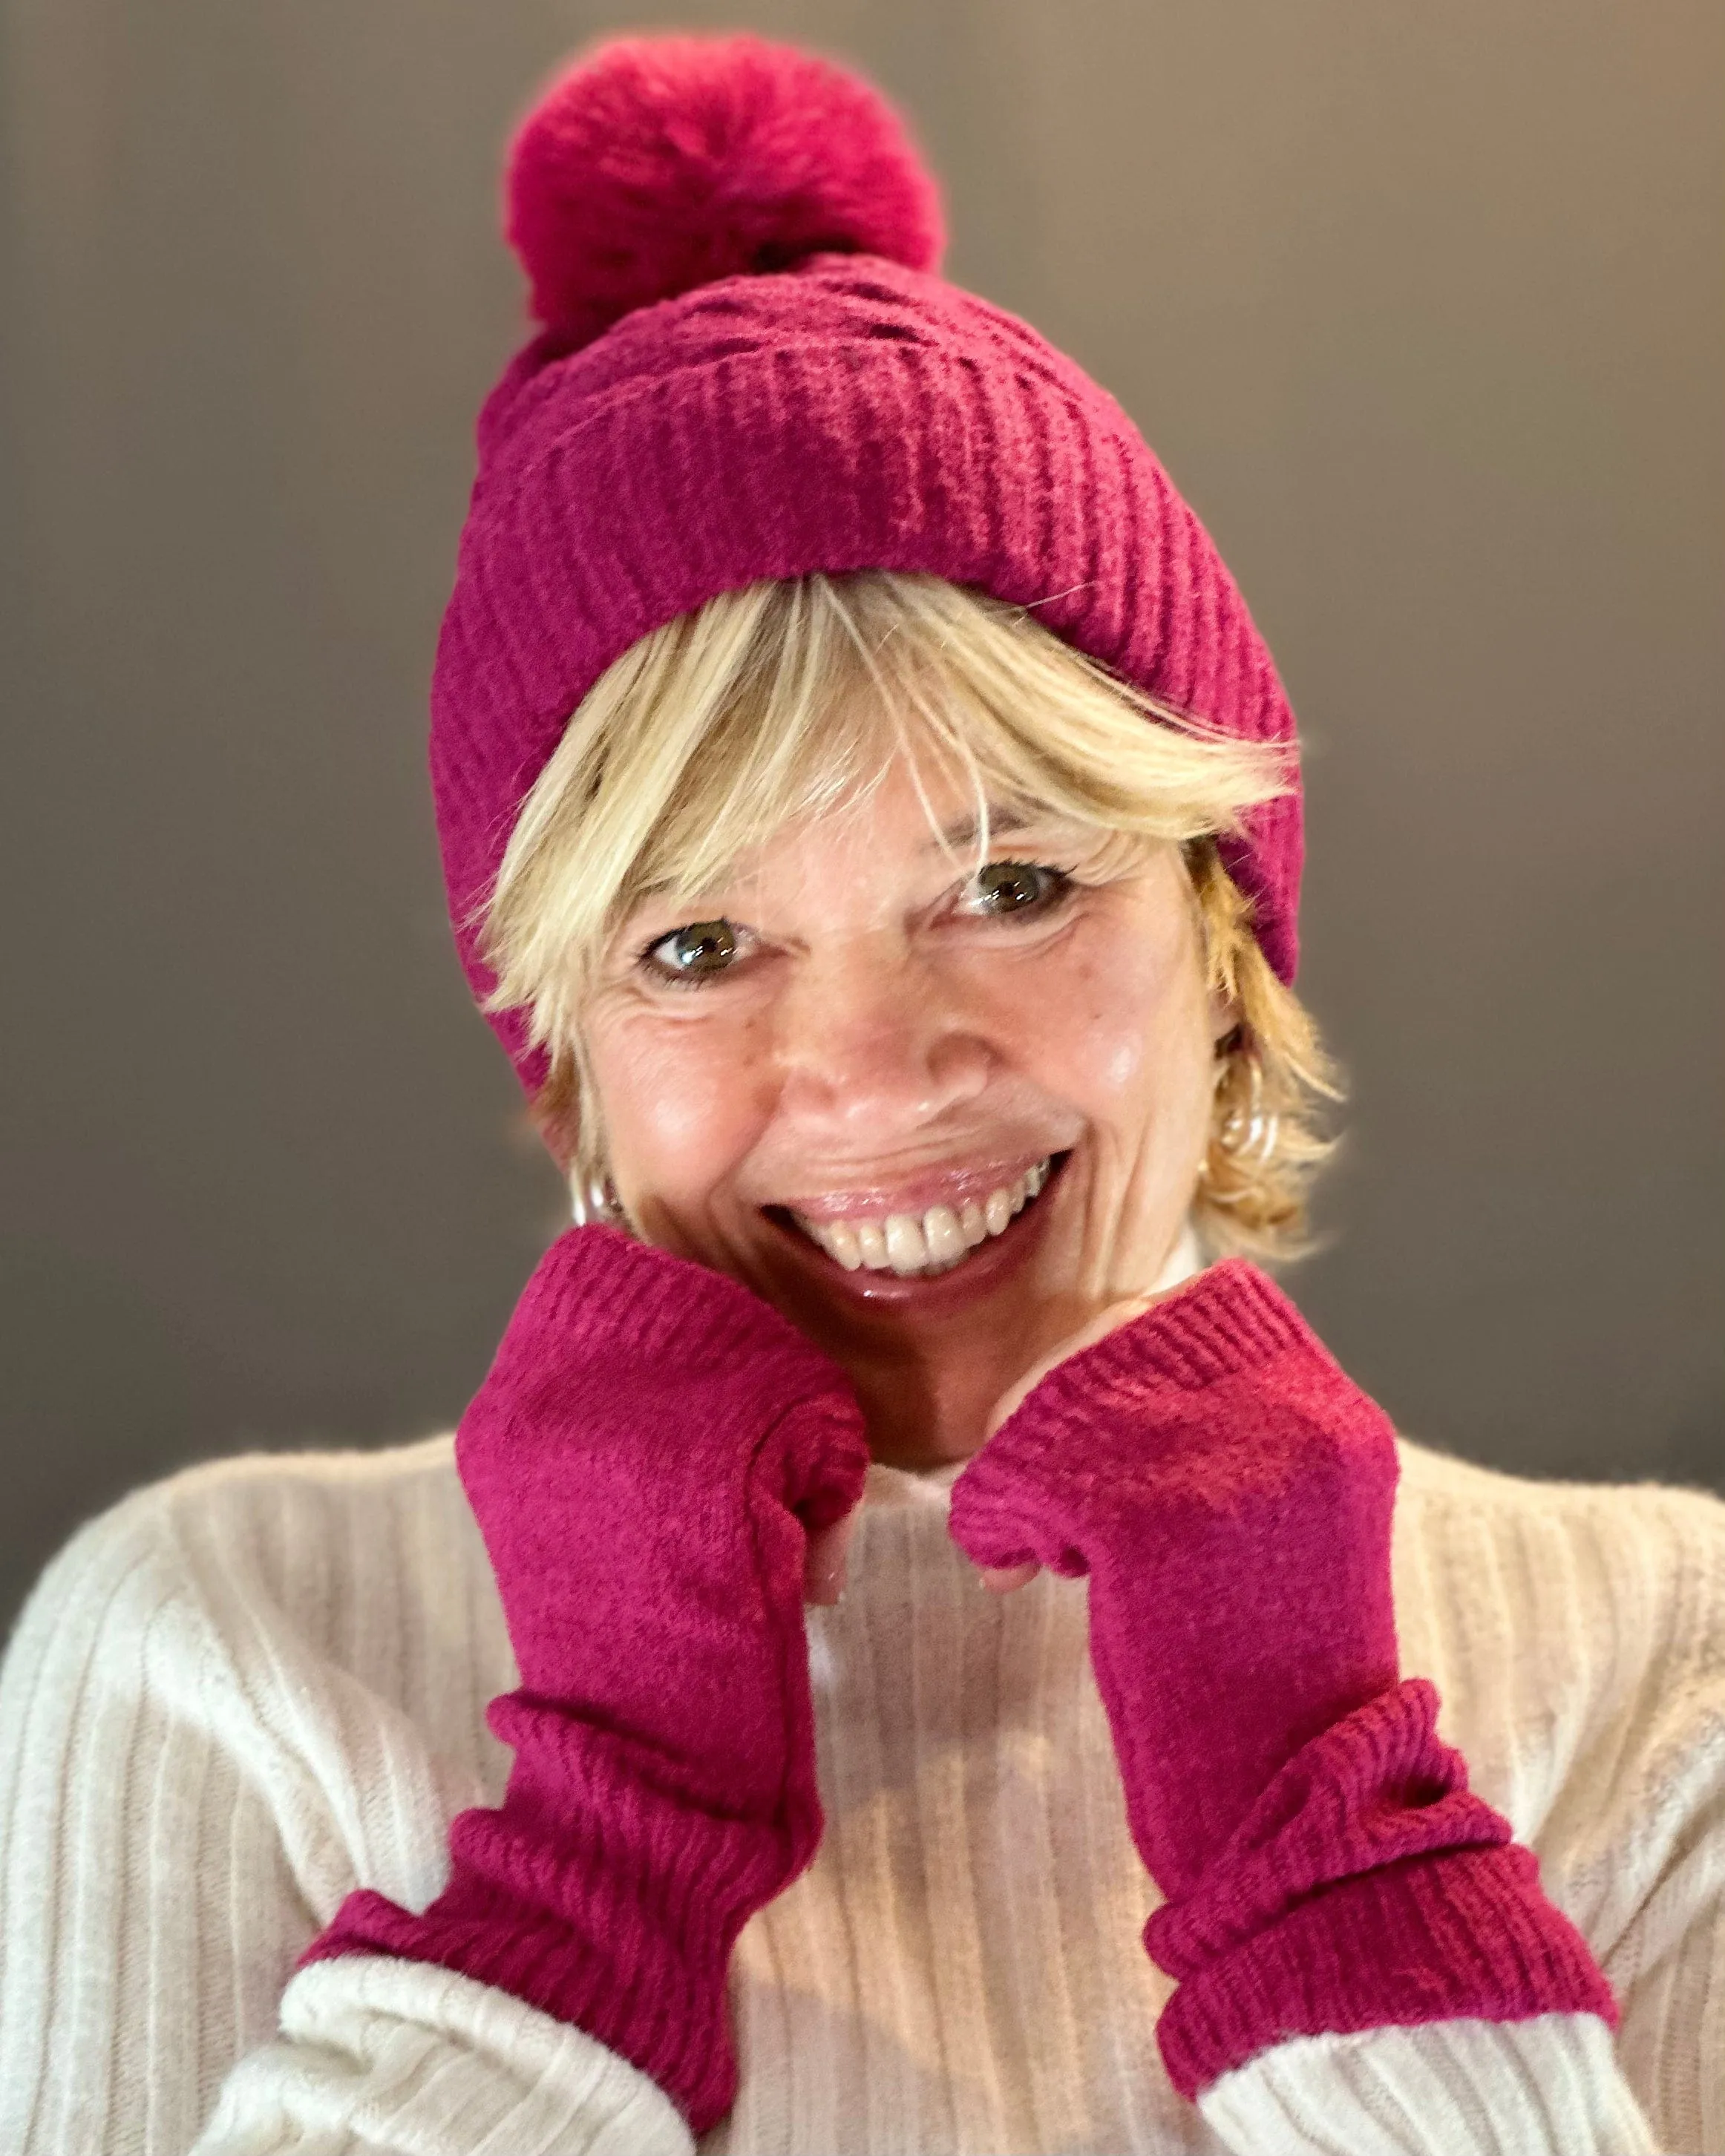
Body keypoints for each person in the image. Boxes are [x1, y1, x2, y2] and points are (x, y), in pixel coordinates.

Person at [0, 31, 1719, 2156]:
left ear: (1220, 930)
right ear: (568, 1054)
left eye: (1004, 884)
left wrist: (1328, 1834)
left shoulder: (1667, 1662)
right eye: (698, 947)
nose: (874, 1071)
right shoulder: (217, 1650)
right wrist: (594, 1864)